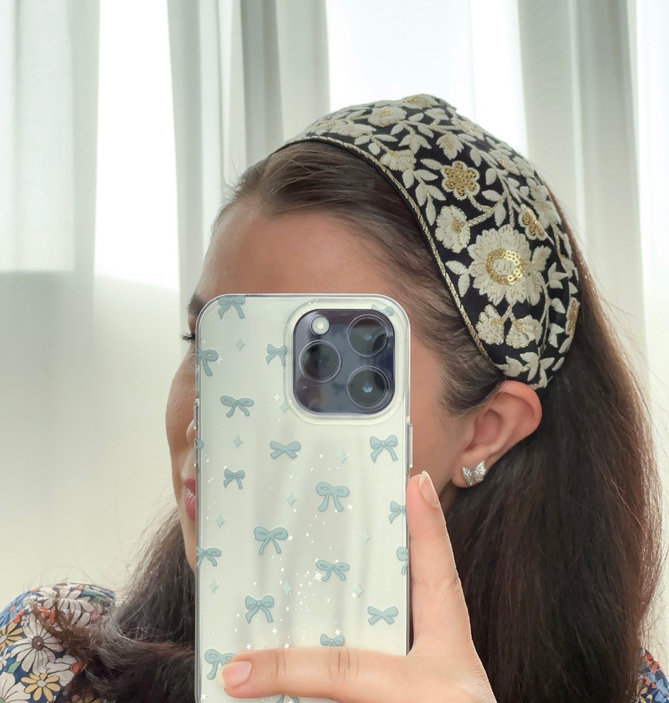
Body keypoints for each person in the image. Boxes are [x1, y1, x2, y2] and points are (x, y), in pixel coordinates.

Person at [1, 94, 666, 703]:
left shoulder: (627, 692)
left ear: (486, 427)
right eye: (209, 343)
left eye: (315, 364)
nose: (217, 423)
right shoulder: (43, 657)